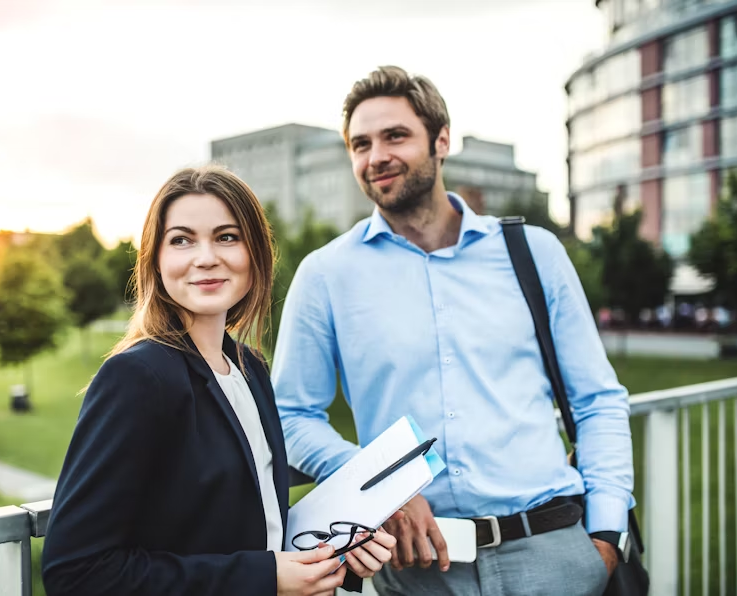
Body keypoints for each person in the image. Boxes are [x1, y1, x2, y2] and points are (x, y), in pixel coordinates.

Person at [272, 66, 634, 596]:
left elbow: (598, 400)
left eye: (396, 136)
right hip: (419, 567)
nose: (376, 157)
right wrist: (382, 485)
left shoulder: (534, 253)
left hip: (553, 550)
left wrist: (605, 536)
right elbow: (291, 414)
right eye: (360, 143)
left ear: (441, 140)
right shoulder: (326, 275)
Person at [41, 165, 395, 596]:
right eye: (182, 240)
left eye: (227, 237)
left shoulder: (249, 367)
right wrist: (264, 578)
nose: (205, 257)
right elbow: (76, 571)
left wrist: (341, 547)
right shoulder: (136, 377)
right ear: (156, 259)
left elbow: (255, 525)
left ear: (255, 254)